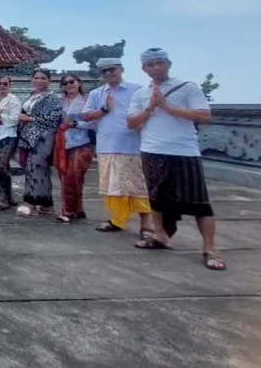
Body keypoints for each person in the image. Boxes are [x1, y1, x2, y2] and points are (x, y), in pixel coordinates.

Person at [127, 48, 223, 270]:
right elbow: (131, 123)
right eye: (150, 65)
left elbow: (204, 115)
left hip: (184, 151)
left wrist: (166, 106)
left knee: (200, 203)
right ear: (144, 69)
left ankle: (210, 248)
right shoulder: (141, 93)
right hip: (152, 149)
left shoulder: (187, 88)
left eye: (160, 63)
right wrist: (151, 107)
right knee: (157, 198)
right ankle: (160, 236)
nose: (156, 68)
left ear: (168, 64)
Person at [81, 58, 153, 237]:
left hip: (133, 145)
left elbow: (150, 112)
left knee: (138, 186)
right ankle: (117, 220)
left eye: (111, 69)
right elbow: (87, 116)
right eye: (103, 71)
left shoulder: (138, 90)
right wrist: (104, 109)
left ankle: (147, 225)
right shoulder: (97, 93)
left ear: (121, 69)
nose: (108, 73)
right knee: (112, 187)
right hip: (107, 145)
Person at [16, 69, 63, 216]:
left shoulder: (52, 98)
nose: (39, 81)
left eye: (43, 78)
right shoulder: (31, 96)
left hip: (44, 136)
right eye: (36, 78)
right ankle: (43, 203)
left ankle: (33, 201)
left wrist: (29, 119)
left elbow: (54, 118)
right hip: (28, 136)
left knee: (37, 167)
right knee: (31, 168)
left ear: (49, 81)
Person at [53, 73, 95, 223]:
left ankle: (69, 210)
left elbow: (94, 121)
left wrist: (75, 124)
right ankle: (78, 209)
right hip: (62, 142)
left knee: (73, 175)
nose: (68, 85)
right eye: (65, 83)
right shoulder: (59, 101)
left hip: (82, 142)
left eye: (71, 81)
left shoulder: (87, 101)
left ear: (79, 83)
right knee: (65, 175)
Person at [0, 76, 21, 211]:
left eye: (5, 84)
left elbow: (14, 119)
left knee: (0, 166)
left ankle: (4, 199)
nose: (2, 86)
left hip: (9, 134)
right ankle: (4, 197)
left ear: (9, 85)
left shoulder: (14, 100)